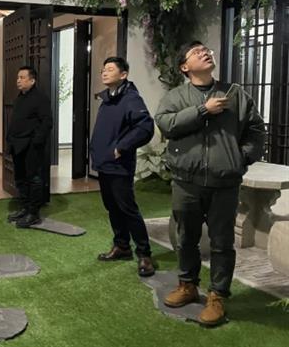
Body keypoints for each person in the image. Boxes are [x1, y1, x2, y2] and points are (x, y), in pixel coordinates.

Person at [155, 41, 266, 326]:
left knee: (222, 242)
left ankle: (217, 296)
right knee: (186, 238)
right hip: (186, 181)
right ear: (185, 67)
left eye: (206, 50)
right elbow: (166, 124)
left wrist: (241, 158)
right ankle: (187, 285)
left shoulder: (234, 94)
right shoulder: (176, 96)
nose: (205, 52)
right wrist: (203, 110)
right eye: (196, 52)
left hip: (224, 182)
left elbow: (256, 130)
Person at [90, 57, 156, 277]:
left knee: (127, 209)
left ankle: (144, 254)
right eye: (103, 69)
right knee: (112, 207)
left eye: (110, 69)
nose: (104, 72)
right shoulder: (107, 99)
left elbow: (145, 127)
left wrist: (121, 147)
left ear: (123, 74)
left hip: (119, 165)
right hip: (105, 164)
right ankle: (122, 246)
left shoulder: (131, 98)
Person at [6, 66, 53, 228]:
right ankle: (24, 208)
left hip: (31, 146)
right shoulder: (20, 97)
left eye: (22, 77)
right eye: (18, 77)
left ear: (32, 80)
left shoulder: (40, 98)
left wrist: (36, 142)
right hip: (17, 144)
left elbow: (47, 122)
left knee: (34, 178)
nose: (18, 80)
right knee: (20, 178)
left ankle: (34, 213)